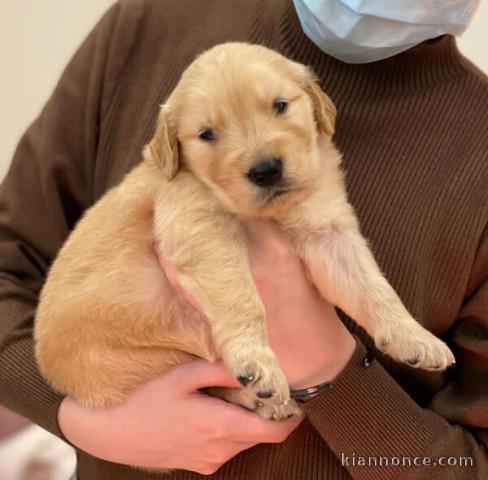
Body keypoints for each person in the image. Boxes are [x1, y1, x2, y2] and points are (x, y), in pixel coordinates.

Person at [0, 0, 487, 478]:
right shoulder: (148, 22)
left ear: (318, 107)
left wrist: (331, 369)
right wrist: (78, 419)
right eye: (209, 135)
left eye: (280, 107)